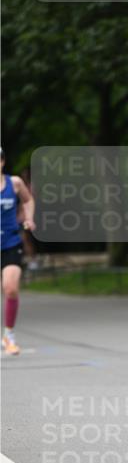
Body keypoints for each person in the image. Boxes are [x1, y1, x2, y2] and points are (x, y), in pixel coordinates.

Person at [1, 148, 35, 355]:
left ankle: (9, 335)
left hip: (10, 243)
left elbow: (28, 200)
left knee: (11, 288)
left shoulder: (14, 183)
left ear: (3, 161)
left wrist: (29, 218)